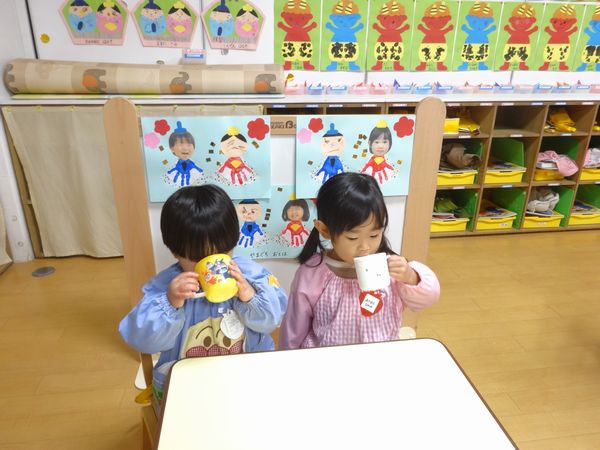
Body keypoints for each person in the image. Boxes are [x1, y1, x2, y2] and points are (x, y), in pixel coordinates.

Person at [119, 185, 288, 409]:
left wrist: (249, 295)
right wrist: (170, 303)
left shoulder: (250, 275)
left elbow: (271, 322)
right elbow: (142, 341)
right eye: (199, 258)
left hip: (244, 378)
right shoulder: (166, 287)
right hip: (188, 388)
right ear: (175, 251)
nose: (213, 264)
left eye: (222, 252)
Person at [280, 172, 439, 349]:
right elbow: (294, 327)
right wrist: (288, 357)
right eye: (353, 238)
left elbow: (428, 298)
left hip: (381, 358)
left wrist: (411, 276)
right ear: (325, 230)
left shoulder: (391, 269)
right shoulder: (312, 272)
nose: (365, 247)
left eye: (374, 235)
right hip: (328, 359)